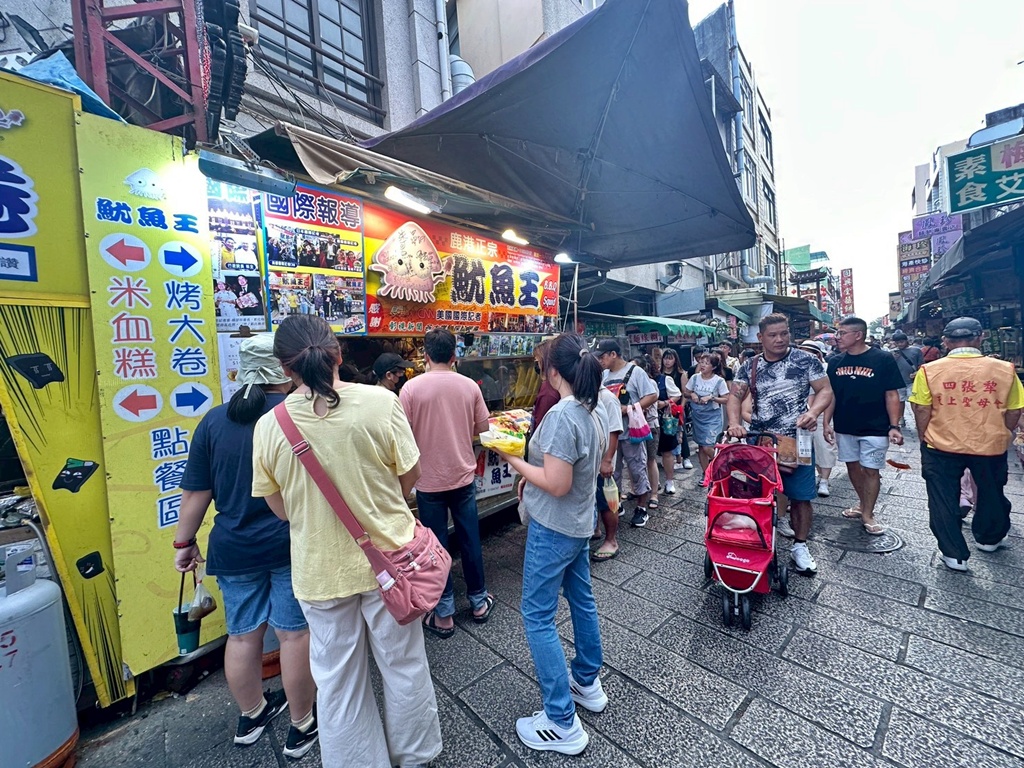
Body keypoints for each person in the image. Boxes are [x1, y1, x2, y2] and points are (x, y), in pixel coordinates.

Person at [250, 316, 442, 767]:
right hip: (393, 564)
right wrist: (375, 505)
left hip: (320, 572)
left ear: (284, 368)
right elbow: (410, 477)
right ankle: (415, 756)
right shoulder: (381, 402)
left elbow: (280, 509)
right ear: (339, 354)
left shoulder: (269, 426)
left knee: (337, 681)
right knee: (404, 665)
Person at [173, 335, 317, 759]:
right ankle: (302, 724)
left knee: (242, 635)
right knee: (293, 635)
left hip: (232, 548)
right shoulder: (297, 415)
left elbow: (195, 492)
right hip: (289, 544)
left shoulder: (214, 421)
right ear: (285, 370)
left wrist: (184, 543)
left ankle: (251, 715)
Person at [497, 335, 607, 756]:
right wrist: (533, 471)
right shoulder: (589, 409)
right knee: (581, 600)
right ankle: (586, 681)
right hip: (578, 524)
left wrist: (513, 459)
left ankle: (561, 720)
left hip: (555, 527)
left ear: (554, 372)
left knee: (537, 616)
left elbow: (558, 484)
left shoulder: (563, 414)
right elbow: (574, 476)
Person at [908, 317, 1024, 572]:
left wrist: (923, 436)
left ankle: (954, 554)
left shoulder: (929, 370)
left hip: (941, 444)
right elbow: (1015, 410)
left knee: (942, 498)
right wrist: (1003, 429)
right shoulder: (1005, 370)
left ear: (946, 341)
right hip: (990, 443)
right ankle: (989, 538)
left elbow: (921, 409)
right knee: (992, 490)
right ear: (980, 337)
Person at [400, 329, 494, 637]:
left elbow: (401, 435)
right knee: (470, 539)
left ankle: (443, 614)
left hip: (427, 482)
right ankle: (479, 602)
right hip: (462, 476)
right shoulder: (469, 386)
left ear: (425, 355)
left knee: (435, 548)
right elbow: (483, 427)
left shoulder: (410, 389)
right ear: (454, 355)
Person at [727, 313, 834, 576]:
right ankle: (755, 541)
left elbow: (826, 390)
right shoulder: (749, 366)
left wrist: (813, 413)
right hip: (760, 441)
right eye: (773, 335)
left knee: (801, 495)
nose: (780, 339)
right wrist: (734, 423)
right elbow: (734, 397)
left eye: (784, 333)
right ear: (760, 338)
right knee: (754, 495)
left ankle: (800, 546)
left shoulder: (805, 360)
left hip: (797, 439)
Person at [825, 317, 905, 536]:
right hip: (845, 425)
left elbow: (891, 393)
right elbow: (830, 395)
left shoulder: (883, 359)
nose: (837, 337)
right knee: (852, 468)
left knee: (871, 469)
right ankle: (862, 504)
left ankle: (868, 513)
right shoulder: (834, 361)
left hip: (876, 426)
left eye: (842, 333)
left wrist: (894, 425)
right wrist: (826, 422)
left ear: (858, 335)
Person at [596, 339, 658, 528]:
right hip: (610, 431)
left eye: (602, 356)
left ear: (613, 354)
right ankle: (616, 504)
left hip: (631, 429)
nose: (600, 360)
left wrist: (630, 408)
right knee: (612, 471)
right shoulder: (603, 375)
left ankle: (641, 507)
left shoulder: (636, 372)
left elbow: (652, 395)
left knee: (637, 468)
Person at [796, 340, 838, 500]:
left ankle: (825, 480)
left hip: (821, 414)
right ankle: (811, 476)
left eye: (810, 352)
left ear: (818, 354)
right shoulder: (796, 369)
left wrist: (827, 421)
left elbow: (829, 396)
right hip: (800, 415)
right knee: (803, 448)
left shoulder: (825, 370)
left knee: (824, 447)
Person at [591, 383, 625, 561]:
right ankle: (595, 530)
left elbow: (615, 431)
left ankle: (611, 541)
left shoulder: (607, 398)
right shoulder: (589, 394)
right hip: (592, 460)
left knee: (607, 501)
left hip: (603, 459)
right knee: (595, 497)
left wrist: (607, 460)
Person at [685, 351, 730, 483]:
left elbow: (726, 399)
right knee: (701, 446)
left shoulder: (719, 381)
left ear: (714, 367)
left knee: (708, 446)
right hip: (697, 416)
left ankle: (720, 464)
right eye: (702, 362)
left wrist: (712, 397)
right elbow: (686, 392)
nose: (703, 365)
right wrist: (692, 394)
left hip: (712, 417)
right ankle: (706, 474)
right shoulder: (694, 378)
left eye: (706, 363)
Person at [632, 356, 663, 510]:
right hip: (633, 426)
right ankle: (637, 489)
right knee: (635, 461)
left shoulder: (650, 383)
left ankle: (654, 494)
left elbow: (652, 403)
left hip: (649, 425)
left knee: (650, 460)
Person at [654, 356, 683, 494]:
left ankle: (670, 481)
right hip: (645, 421)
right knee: (649, 455)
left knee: (667, 451)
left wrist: (665, 403)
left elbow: (677, 395)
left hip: (664, 419)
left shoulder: (665, 379)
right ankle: (654, 481)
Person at [661, 349, 694, 471]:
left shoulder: (681, 374)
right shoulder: (660, 374)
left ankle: (685, 457)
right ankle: (670, 458)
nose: (667, 361)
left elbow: (685, 393)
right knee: (667, 432)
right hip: (664, 408)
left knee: (681, 432)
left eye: (670, 358)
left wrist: (682, 407)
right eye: (665, 358)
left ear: (675, 360)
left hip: (677, 407)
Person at [891, 330, 924, 426]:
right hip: (898, 381)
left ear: (906, 341)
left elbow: (921, 365)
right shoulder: (892, 353)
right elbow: (888, 367)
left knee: (914, 401)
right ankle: (901, 418)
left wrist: (917, 373)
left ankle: (917, 418)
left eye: (902, 341)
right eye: (897, 342)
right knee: (900, 401)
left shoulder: (916, 351)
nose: (900, 344)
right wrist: (894, 359)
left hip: (913, 381)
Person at [530, 339, 560, 433]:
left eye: (537, 361)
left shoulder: (548, 391)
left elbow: (541, 429)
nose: (536, 365)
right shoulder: (553, 385)